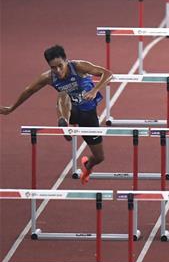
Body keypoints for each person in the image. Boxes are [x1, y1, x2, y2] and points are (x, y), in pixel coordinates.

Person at [0, 45, 113, 184]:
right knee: (63, 94)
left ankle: (88, 166)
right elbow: (29, 90)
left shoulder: (79, 66)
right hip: (69, 111)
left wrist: (95, 90)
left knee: (99, 157)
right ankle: (63, 122)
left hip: (88, 114)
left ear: (66, 60)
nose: (58, 71)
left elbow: (108, 74)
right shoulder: (48, 77)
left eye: (60, 65)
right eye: (53, 67)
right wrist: (11, 108)